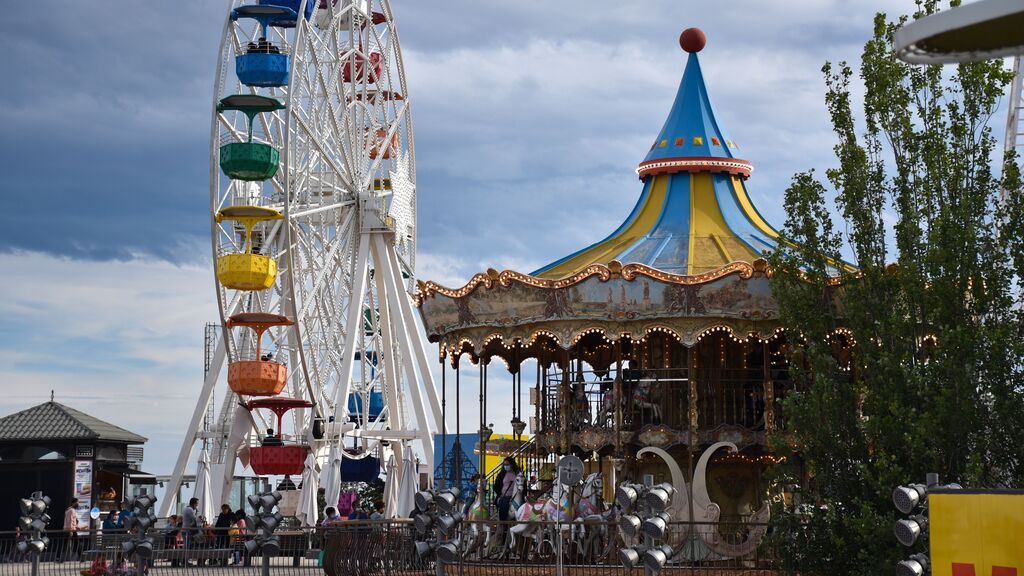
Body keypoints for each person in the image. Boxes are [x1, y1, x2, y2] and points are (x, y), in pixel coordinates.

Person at [493, 457, 521, 521]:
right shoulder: (502, 474)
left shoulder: (517, 473)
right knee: (504, 506)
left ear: (512, 464)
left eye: (507, 464)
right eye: (504, 465)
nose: (506, 466)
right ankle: (503, 522)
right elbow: (496, 486)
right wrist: (500, 494)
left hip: (515, 495)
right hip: (504, 495)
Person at [181, 497, 199, 565]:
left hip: (185, 529)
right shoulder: (190, 510)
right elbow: (194, 519)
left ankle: (184, 560)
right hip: (187, 530)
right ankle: (185, 561)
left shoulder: (186, 508)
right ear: (194, 504)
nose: (197, 505)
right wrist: (196, 512)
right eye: (197, 504)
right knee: (187, 546)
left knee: (186, 546)